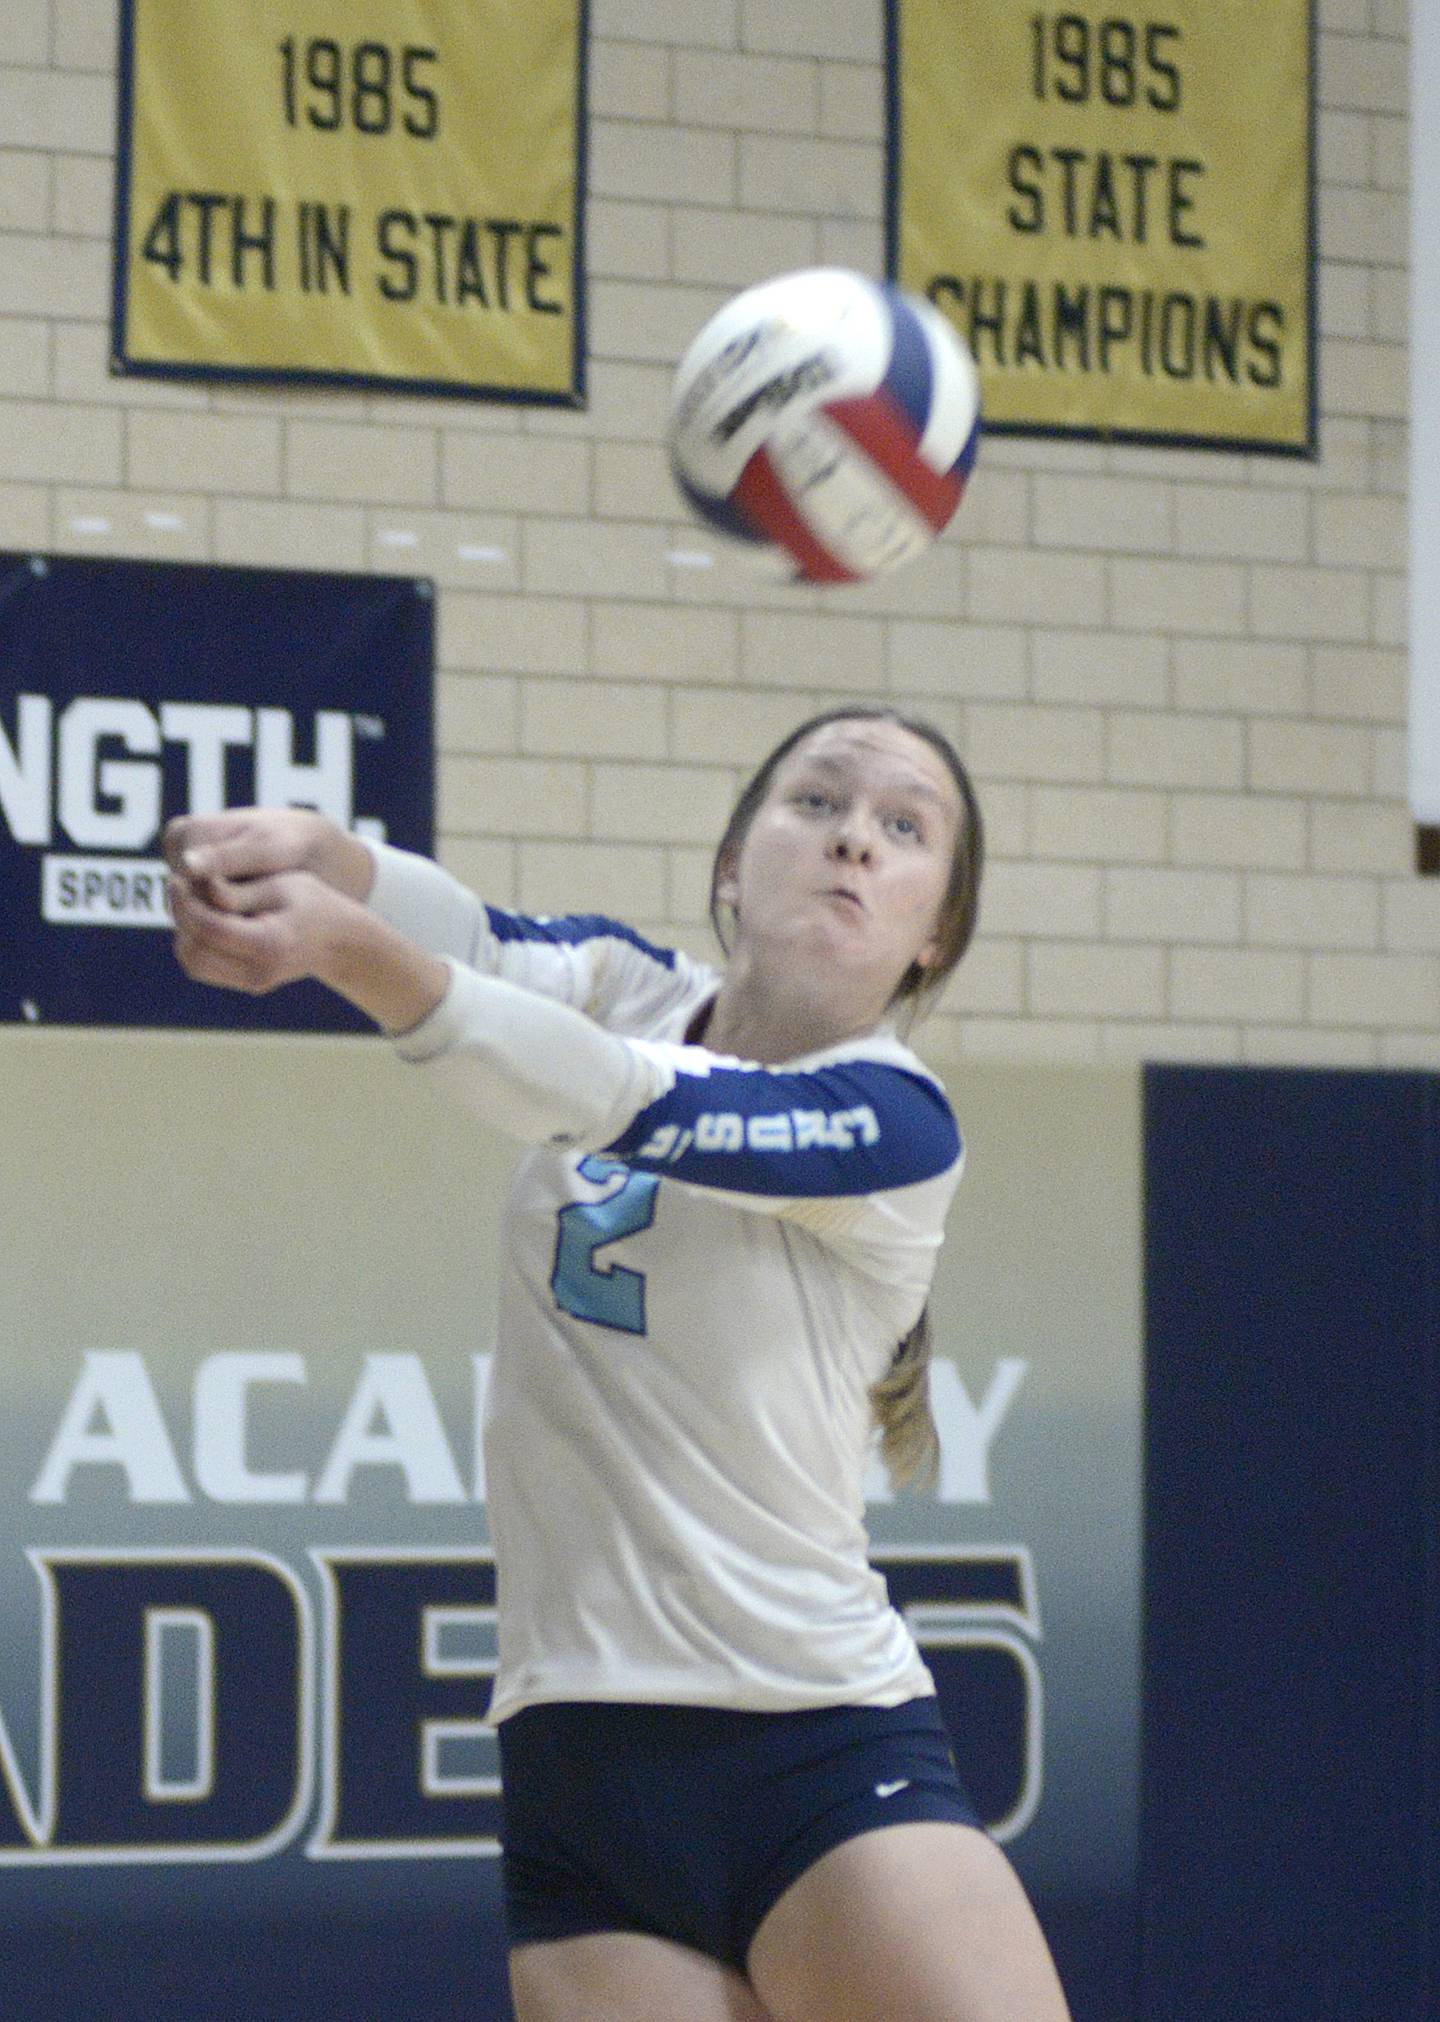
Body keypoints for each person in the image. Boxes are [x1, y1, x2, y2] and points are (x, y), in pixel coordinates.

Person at [164, 704, 1071, 2022]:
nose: (854, 842)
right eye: (817, 802)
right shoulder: (628, 983)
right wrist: (322, 851)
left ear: (935, 932)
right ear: (732, 864)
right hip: (578, 1762)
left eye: (904, 827)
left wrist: (345, 945)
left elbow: (621, 1096)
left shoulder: (894, 1118)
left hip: (811, 1748)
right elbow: (468, 937)